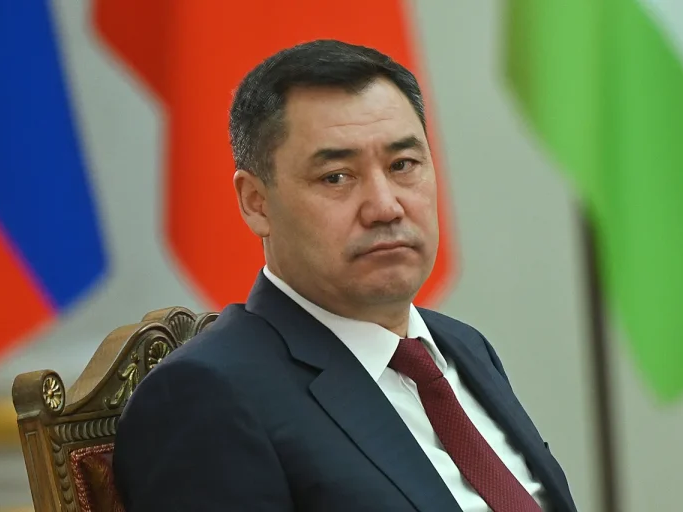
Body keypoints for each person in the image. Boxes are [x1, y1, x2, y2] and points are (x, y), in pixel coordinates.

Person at [113, 39, 577, 512]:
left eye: (402, 165)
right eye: (336, 176)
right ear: (256, 202)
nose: (385, 206)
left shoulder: (464, 347)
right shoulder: (207, 397)